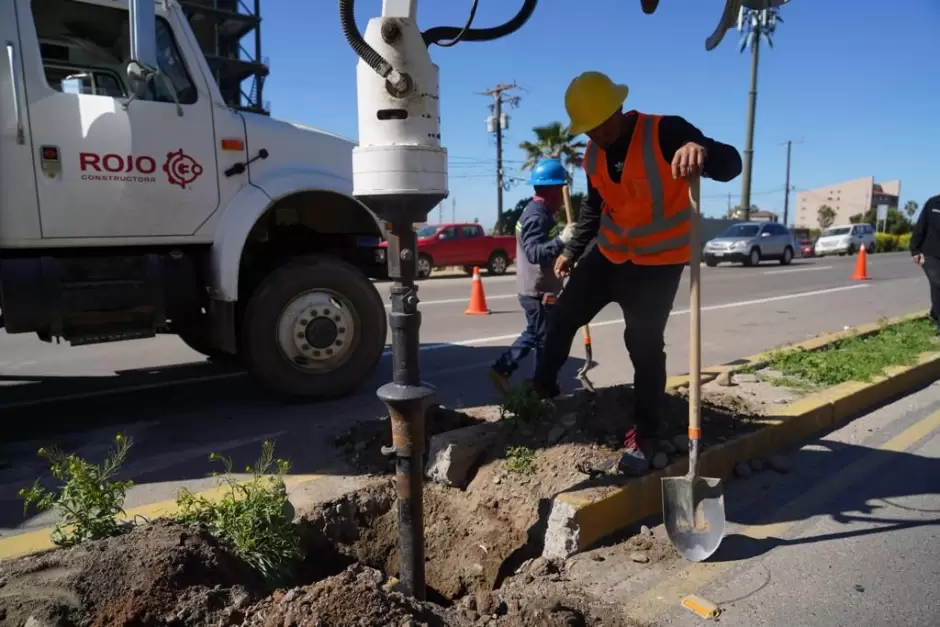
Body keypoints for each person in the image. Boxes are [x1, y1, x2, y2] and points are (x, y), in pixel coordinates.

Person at [528, 71, 742, 476]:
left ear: (620, 108)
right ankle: (542, 388)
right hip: (610, 255)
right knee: (563, 315)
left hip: (657, 264)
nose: (601, 134)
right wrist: (573, 250)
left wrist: (702, 151)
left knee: (643, 345)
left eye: (605, 122)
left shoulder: (666, 131)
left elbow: (732, 164)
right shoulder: (592, 155)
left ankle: (645, 434)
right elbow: (595, 207)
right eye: (591, 129)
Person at [489, 159, 575, 394]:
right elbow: (535, 253)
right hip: (536, 290)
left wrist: (561, 258)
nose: (562, 196)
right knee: (541, 338)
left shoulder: (537, 210)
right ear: (552, 190)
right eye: (561, 189)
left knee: (539, 336)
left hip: (538, 286)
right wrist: (562, 240)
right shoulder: (537, 216)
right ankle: (507, 371)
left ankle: (538, 383)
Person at [910, 194, 940, 336]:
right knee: (938, 283)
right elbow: (921, 225)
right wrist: (915, 249)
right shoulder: (933, 203)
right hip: (930, 253)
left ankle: (934, 314)